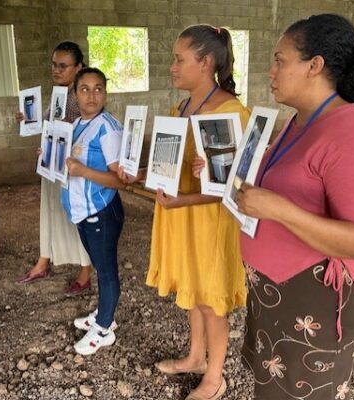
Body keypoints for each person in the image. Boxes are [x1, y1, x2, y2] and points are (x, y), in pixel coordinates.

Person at [236, 14, 354, 400]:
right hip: (275, 294)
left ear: (315, 65)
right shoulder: (299, 122)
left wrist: (278, 209)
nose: (271, 71)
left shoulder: (353, 133)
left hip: (314, 305)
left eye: (279, 60)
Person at [119, 25, 249, 400]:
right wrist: (141, 174)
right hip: (182, 215)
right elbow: (170, 168)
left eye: (179, 59)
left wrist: (189, 194)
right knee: (193, 293)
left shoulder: (231, 113)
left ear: (205, 62)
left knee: (211, 300)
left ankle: (215, 377)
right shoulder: (183, 107)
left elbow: (233, 191)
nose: (172, 67)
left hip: (210, 222)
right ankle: (195, 357)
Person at [15, 41, 94, 297]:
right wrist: (30, 120)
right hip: (51, 163)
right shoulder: (58, 92)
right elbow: (50, 121)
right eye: (54, 65)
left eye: (63, 66)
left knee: (75, 217)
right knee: (50, 211)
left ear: (78, 67)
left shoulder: (83, 94)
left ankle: (85, 271)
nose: (56, 70)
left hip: (72, 167)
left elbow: (86, 132)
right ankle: (44, 261)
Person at [62, 67, 126, 355]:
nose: (91, 95)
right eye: (84, 89)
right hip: (84, 211)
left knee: (106, 270)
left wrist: (83, 171)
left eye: (98, 88)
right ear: (75, 94)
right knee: (100, 266)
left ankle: (103, 328)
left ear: (105, 92)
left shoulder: (108, 128)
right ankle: (103, 312)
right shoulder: (76, 124)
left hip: (102, 210)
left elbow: (118, 179)